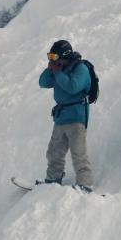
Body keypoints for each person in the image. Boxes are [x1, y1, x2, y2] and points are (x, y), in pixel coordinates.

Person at [38, 40, 94, 192]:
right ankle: (52, 180)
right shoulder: (59, 68)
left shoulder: (80, 68)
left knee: (78, 153)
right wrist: (51, 70)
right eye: (50, 56)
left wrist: (57, 73)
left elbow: (73, 87)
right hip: (61, 117)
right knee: (54, 152)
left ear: (65, 55)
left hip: (76, 117)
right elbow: (42, 82)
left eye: (54, 56)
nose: (52, 59)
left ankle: (85, 184)